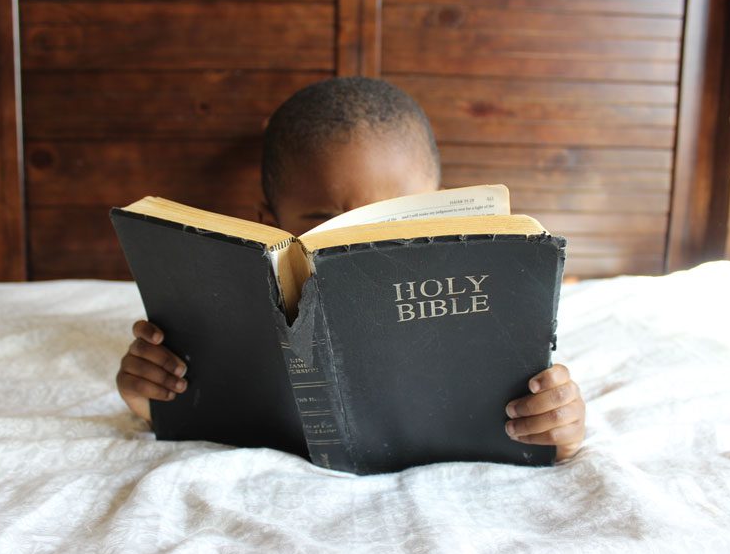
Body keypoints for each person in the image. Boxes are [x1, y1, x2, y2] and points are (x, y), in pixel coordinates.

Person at [116, 77, 586, 462]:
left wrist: (557, 427)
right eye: (326, 223)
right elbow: (200, 406)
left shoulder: (485, 303)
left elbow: (545, 422)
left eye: (398, 217)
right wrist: (153, 398)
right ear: (268, 223)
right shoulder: (233, 312)